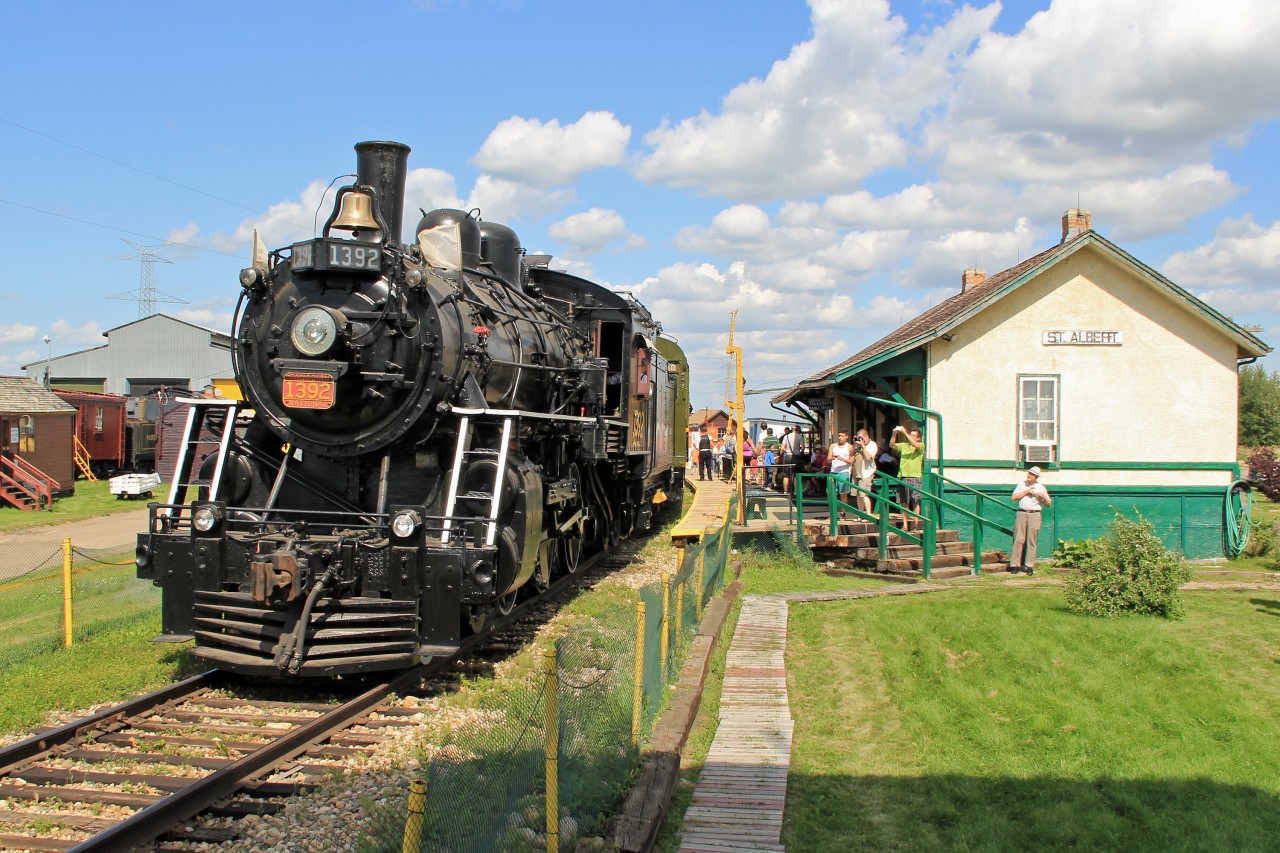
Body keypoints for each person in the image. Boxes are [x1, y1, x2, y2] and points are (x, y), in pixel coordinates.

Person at [1010, 465, 1052, 574]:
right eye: (1028, 473)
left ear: (1036, 477)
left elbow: (1048, 504)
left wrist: (1042, 496)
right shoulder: (1021, 484)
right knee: (1018, 539)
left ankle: (1029, 565)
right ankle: (1014, 565)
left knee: (1031, 540)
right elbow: (1014, 497)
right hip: (1022, 513)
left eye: (1031, 474)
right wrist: (1027, 492)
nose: (1029, 475)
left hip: (1034, 514)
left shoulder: (1041, 487)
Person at [892, 425, 925, 528]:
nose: (910, 436)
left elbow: (916, 446)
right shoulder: (904, 445)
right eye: (910, 434)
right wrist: (894, 433)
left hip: (915, 476)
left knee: (915, 501)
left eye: (913, 435)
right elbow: (892, 445)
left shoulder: (921, 445)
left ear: (918, 438)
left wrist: (905, 433)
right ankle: (905, 525)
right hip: (903, 476)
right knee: (904, 502)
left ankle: (915, 524)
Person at [852, 429, 878, 517]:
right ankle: (860, 514)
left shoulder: (872, 445)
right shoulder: (857, 445)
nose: (859, 440)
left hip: (865, 473)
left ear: (866, 437)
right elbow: (850, 454)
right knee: (858, 495)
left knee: (864, 495)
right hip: (856, 473)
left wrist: (863, 446)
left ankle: (868, 514)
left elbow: (868, 457)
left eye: (860, 438)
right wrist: (854, 444)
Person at [828, 430, 854, 511]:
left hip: (844, 471)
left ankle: (843, 512)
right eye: (839, 436)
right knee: (831, 493)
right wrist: (833, 457)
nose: (840, 438)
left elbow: (851, 461)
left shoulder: (850, 447)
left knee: (843, 494)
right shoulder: (833, 446)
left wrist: (842, 458)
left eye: (842, 436)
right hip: (833, 471)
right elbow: (828, 459)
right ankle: (832, 512)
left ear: (846, 437)